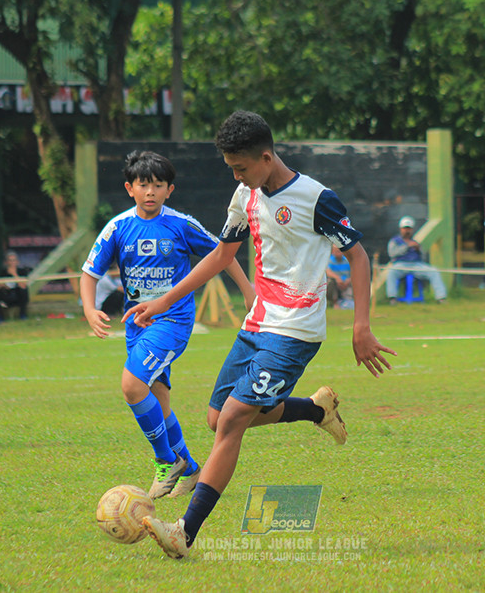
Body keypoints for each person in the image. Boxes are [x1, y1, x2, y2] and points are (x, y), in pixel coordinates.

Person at [127, 110, 396, 559]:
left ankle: (184, 532)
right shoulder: (244, 194)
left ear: (266, 157)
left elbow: (359, 257)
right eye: (231, 168)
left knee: (231, 421)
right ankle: (315, 410)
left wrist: (361, 326)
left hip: (296, 331)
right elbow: (219, 257)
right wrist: (162, 301)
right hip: (256, 324)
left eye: (241, 167)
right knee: (218, 419)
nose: (236, 175)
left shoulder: (316, 198)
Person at [81, 150, 256, 500]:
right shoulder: (118, 226)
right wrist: (89, 308)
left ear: (169, 190)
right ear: (130, 188)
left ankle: (165, 460)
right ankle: (190, 468)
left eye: (158, 185)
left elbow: (222, 253)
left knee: (132, 385)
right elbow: (90, 272)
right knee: (158, 403)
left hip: (173, 321)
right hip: (137, 324)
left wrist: (248, 291)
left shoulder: (181, 224)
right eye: (143, 185)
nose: (150, 192)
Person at [385, 215, 447, 303]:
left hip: (416, 265)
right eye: (405, 228)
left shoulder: (415, 241)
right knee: (391, 272)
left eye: (409, 229)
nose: (407, 231)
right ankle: (392, 298)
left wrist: (419, 249)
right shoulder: (395, 241)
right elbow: (392, 254)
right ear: (401, 229)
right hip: (400, 264)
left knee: (434, 271)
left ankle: (441, 298)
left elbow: (423, 256)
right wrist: (406, 246)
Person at [0, 250, 31, 322]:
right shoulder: (3, 272)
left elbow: (23, 286)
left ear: (17, 262)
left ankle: (22, 315)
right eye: (10, 260)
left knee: (24, 290)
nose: (12, 262)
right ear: (6, 262)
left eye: (14, 260)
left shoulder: (22, 271)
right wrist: (2, 285)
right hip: (7, 295)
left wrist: (14, 274)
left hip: (18, 296)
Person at [326, 245, 353, 309]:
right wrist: (337, 278)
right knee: (331, 282)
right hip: (335, 283)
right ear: (333, 252)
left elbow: (353, 272)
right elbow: (328, 272)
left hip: (346, 283)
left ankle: (350, 302)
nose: (339, 253)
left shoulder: (347, 260)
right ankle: (335, 302)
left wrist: (349, 280)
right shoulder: (330, 261)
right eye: (337, 251)